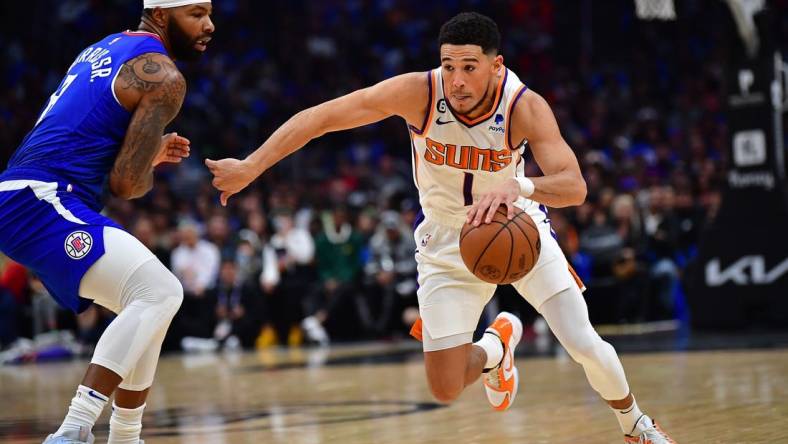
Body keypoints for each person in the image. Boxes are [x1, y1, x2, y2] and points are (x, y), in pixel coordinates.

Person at [206, 12, 674, 444]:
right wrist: (251, 165)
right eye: (449, 66)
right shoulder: (419, 93)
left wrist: (520, 186)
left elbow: (575, 187)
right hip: (446, 239)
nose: (457, 79)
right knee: (445, 386)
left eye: (469, 67)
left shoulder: (523, 106)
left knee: (583, 342)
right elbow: (322, 118)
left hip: (515, 225)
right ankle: (496, 349)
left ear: (496, 66)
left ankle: (636, 426)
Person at [0, 1, 215, 443]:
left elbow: (92, 139)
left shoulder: (105, 47)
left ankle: (126, 436)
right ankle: (76, 429)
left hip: (29, 194)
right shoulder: (165, 77)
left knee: (146, 303)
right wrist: (148, 162)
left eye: (210, 12)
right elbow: (126, 184)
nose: (209, 24)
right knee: (161, 291)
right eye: (196, 13)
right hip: (41, 196)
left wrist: (147, 152)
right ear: (160, 14)